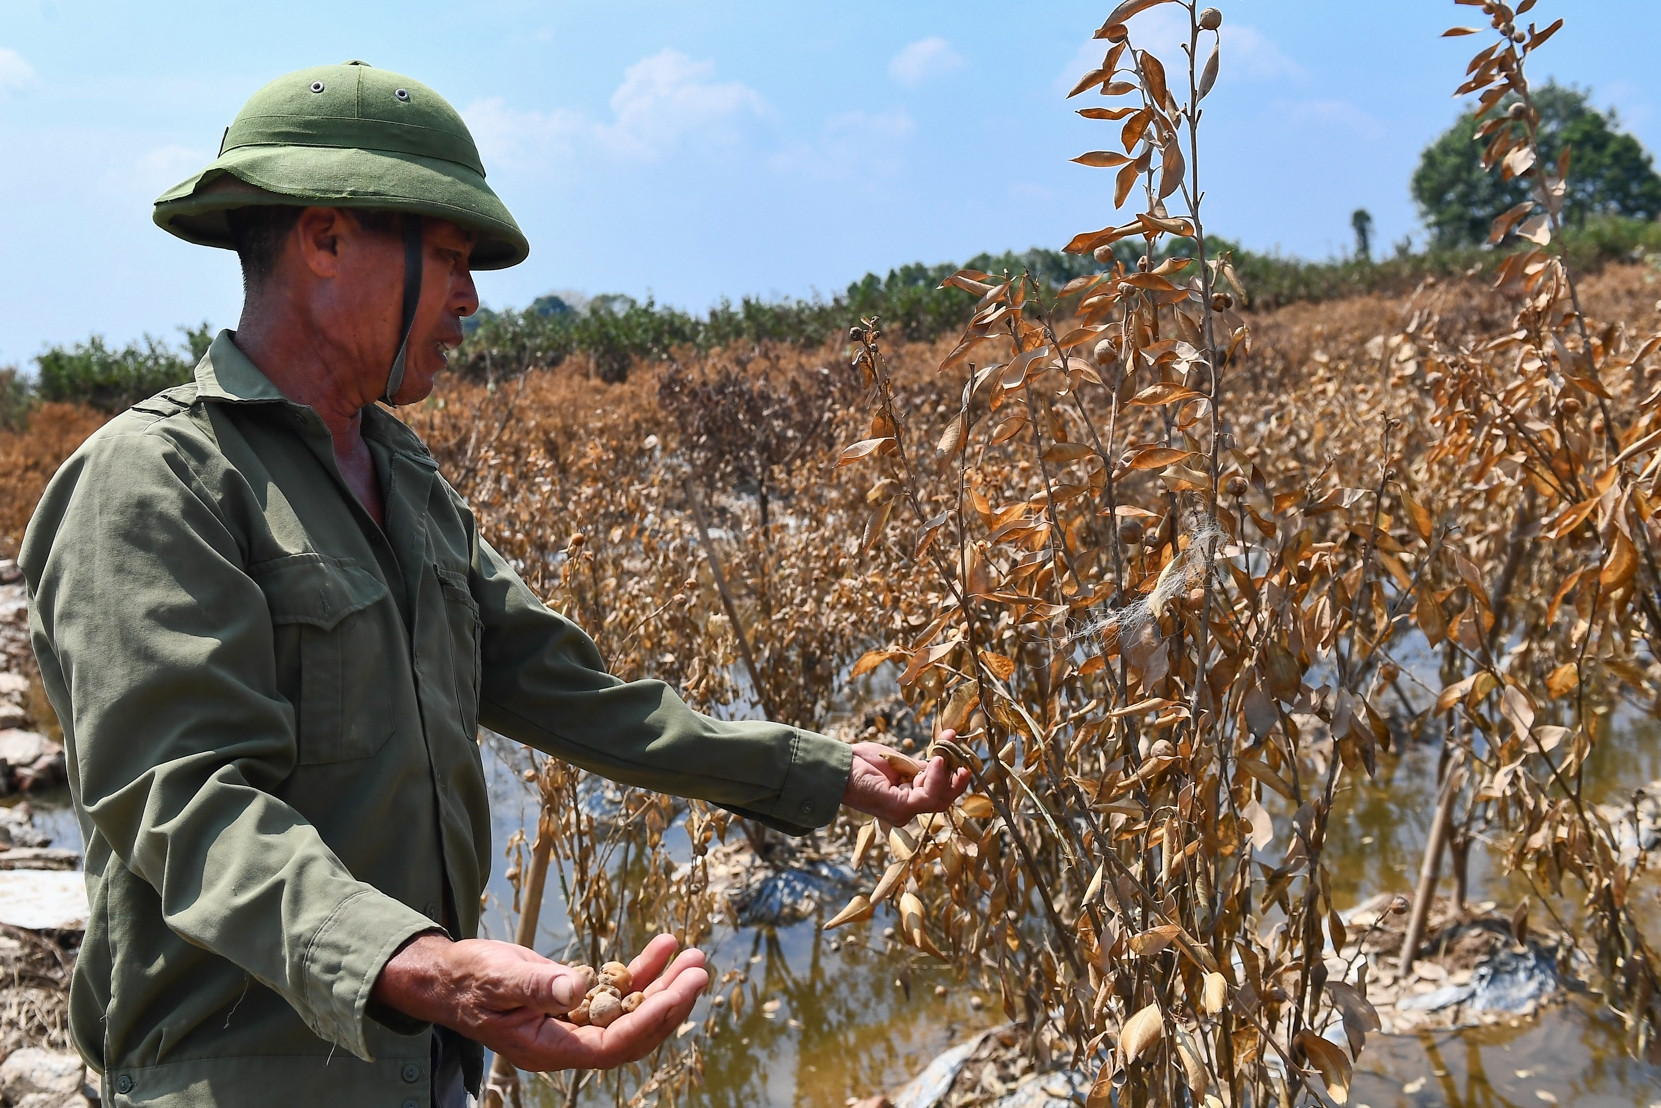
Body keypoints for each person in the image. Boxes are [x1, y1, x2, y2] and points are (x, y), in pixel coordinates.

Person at [20, 61, 969, 1108]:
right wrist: (428, 966)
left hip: (422, 1068)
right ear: (325, 239)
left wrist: (821, 771)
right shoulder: (152, 480)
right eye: (450, 257)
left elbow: (571, 692)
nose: (473, 299)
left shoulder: (405, 478)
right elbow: (185, 804)